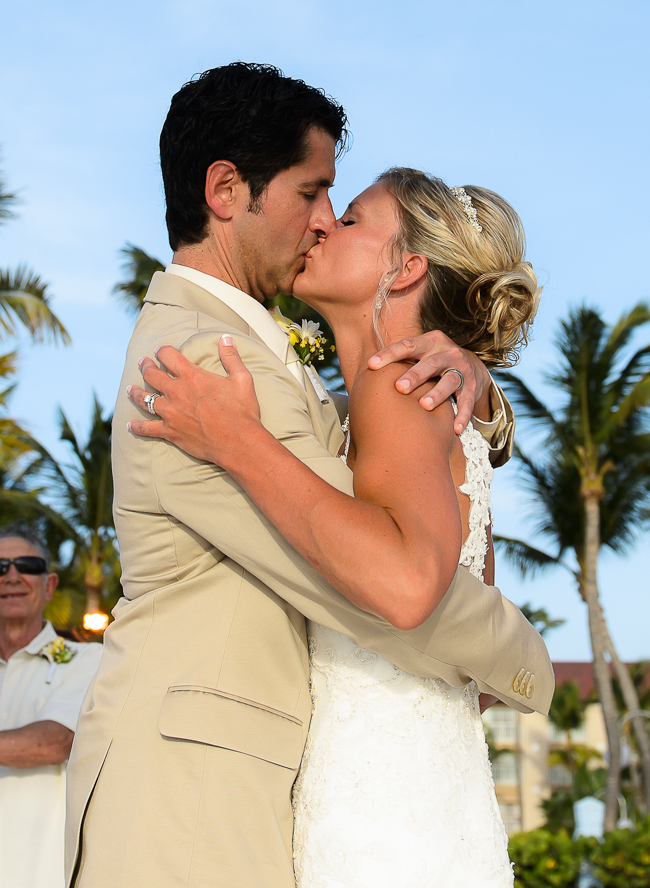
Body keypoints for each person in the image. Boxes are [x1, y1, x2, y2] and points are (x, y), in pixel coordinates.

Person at [66, 63, 553, 888]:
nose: (325, 222)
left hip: (310, 793)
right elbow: (390, 590)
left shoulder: (315, 379)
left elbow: (404, 531)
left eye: (343, 207)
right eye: (313, 192)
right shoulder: (193, 365)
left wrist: (459, 376)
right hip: (187, 801)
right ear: (227, 190)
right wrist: (523, 659)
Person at [0, 523, 102, 888]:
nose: (12, 576)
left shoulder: (89, 659)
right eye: (0, 567)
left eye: (27, 565)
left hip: (43, 874)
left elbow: (56, 741)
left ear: (50, 585)